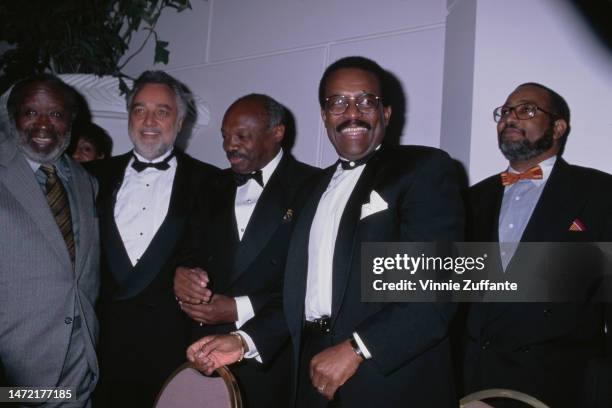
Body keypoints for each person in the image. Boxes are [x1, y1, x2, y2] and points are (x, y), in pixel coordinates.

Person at [187, 56, 465, 407]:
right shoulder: (309, 189)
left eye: (365, 101)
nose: (352, 112)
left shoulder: (422, 170)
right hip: (311, 379)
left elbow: (437, 287)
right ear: (324, 116)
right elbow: (295, 294)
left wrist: (358, 348)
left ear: (387, 113)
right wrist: (243, 341)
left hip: (392, 383)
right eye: (337, 103)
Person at [462, 83, 612, 407]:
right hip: (472, 385)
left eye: (526, 110)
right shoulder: (469, 199)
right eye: (505, 112)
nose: (510, 118)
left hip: (559, 386)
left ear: (558, 127)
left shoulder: (600, 193)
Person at [174, 93, 320, 407]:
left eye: (242, 135)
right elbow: (188, 252)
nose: (229, 145)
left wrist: (240, 308)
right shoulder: (210, 185)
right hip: (201, 353)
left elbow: (313, 283)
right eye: (225, 136)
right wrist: (182, 276)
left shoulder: (314, 186)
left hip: (272, 354)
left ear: (277, 132)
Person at [88, 70, 219, 407]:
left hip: (171, 352)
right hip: (99, 350)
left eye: (162, 111)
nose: (149, 120)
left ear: (180, 122)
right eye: (139, 109)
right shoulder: (91, 177)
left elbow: (221, 259)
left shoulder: (213, 182)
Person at [0, 74, 100, 406]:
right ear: (13, 117)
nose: (43, 124)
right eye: (31, 112)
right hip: (12, 370)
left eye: (56, 114)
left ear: (70, 123)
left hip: (77, 363)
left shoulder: (84, 179)